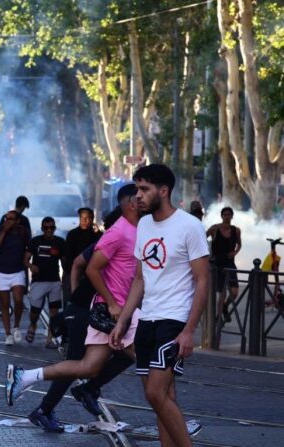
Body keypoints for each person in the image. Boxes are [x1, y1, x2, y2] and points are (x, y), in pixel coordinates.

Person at [21, 186, 138, 432]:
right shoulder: (111, 239)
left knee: (118, 356)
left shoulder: (132, 238)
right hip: (85, 309)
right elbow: (79, 264)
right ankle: (44, 406)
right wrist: (73, 297)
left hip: (100, 311)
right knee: (78, 362)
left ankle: (87, 388)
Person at [110, 164, 210, 447]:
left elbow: (203, 281)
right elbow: (140, 279)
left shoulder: (190, 226)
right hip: (147, 320)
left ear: (163, 191)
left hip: (174, 321)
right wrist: (123, 320)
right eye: (137, 189)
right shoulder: (143, 225)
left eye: (144, 190)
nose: (137, 196)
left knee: (154, 393)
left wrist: (189, 330)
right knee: (164, 399)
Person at [24, 217, 66, 347]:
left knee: (54, 311)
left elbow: (64, 262)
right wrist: (31, 266)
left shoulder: (60, 242)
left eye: (52, 228)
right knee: (34, 311)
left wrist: (65, 278)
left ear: (54, 228)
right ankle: (33, 325)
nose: (49, 230)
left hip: (54, 281)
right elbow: (25, 259)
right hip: (38, 281)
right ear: (42, 229)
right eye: (46, 228)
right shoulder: (35, 241)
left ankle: (50, 337)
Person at [0, 210, 31, 345]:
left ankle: (17, 325)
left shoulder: (23, 232)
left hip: (18, 271)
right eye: (6, 219)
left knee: (18, 300)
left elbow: (29, 247)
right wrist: (3, 231)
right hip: (1, 272)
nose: (7, 221)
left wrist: (28, 260)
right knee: (4, 303)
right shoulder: (0, 230)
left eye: (11, 219)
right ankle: (8, 333)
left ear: (17, 221)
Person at [206, 207, 242, 323]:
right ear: (222, 216)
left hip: (230, 263)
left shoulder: (236, 230)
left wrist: (235, 252)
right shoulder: (215, 229)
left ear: (232, 216)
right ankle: (219, 316)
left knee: (235, 291)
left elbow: (240, 245)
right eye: (225, 214)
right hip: (218, 263)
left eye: (229, 214)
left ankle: (225, 307)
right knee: (222, 292)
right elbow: (201, 239)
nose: (226, 217)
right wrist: (207, 256)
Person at [63, 207, 102, 302]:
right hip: (73, 272)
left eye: (87, 218)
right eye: (82, 218)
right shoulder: (72, 234)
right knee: (71, 301)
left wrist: (98, 233)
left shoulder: (96, 235)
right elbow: (67, 256)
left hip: (91, 274)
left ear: (92, 219)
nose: (84, 220)